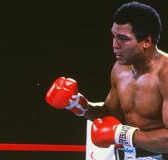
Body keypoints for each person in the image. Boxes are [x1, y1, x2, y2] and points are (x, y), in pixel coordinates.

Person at [46, 1, 168, 160]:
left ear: (146, 41)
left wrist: (121, 134)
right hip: (127, 155)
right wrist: (77, 104)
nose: (115, 45)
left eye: (123, 38)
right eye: (114, 36)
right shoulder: (120, 69)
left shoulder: (165, 74)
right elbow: (110, 115)